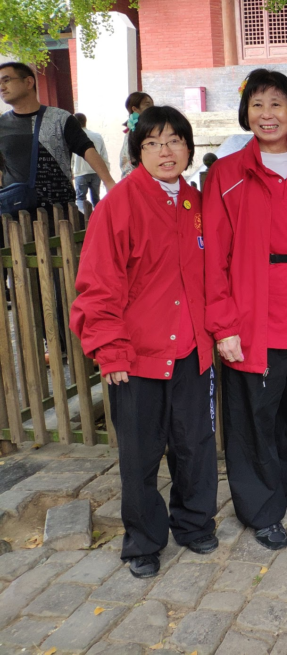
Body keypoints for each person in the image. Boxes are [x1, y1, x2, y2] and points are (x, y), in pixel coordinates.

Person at [70, 106, 218, 579]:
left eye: (175, 140)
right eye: (152, 143)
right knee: (140, 453)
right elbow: (97, 284)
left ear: (189, 148)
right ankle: (143, 542)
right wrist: (108, 348)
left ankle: (194, 525)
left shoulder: (195, 203)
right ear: (137, 153)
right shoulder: (119, 204)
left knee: (194, 445)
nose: (165, 151)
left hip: (191, 349)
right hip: (136, 356)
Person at [204, 69, 287, 551]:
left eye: (277, 104)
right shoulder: (227, 174)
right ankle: (261, 509)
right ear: (246, 113)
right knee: (254, 416)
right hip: (250, 313)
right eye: (257, 105)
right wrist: (224, 324)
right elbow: (214, 256)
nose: (267, 114)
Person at [0, 62, 115, 212]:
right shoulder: (2, 124)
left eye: (6, 80)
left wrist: (109, 182)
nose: (2, 87)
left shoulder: (60, 118)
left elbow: (86, 149)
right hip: (15, 211)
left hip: (60, 209)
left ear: (29, 82)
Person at [72, 112, 110, 211]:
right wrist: (106, 170)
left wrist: (70, 170)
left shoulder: (73, 137)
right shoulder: (97, 136)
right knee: (96, 198)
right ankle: (100, 219)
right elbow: (103, 154)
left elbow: (71, 156)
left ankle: (84, 220)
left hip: (80, 171)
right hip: (96, 171)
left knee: (80, 198)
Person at [119, 92, 154, 177]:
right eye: (148, 105)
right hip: (137, 179)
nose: (153, 108)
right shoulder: (136, 130)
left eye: (153, 105)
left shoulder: (139, 128)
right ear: (135, 109)